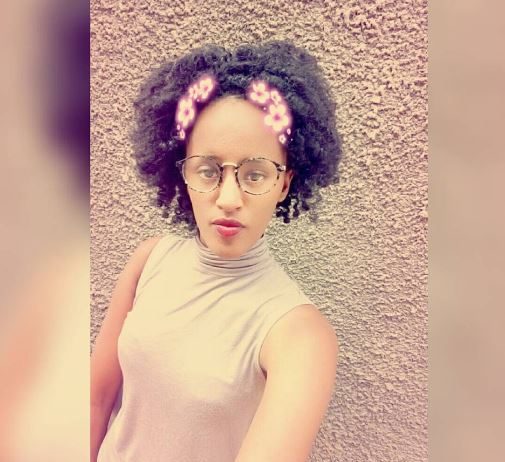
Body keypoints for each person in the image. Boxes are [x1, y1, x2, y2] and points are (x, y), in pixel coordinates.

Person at [91, 40, 342, 462]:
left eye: (255, 174)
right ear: (182, 172)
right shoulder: (149, 261)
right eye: (208, 170)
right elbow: (95, 400)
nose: (228, 198)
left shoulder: (300, 335)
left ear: (284, 183)